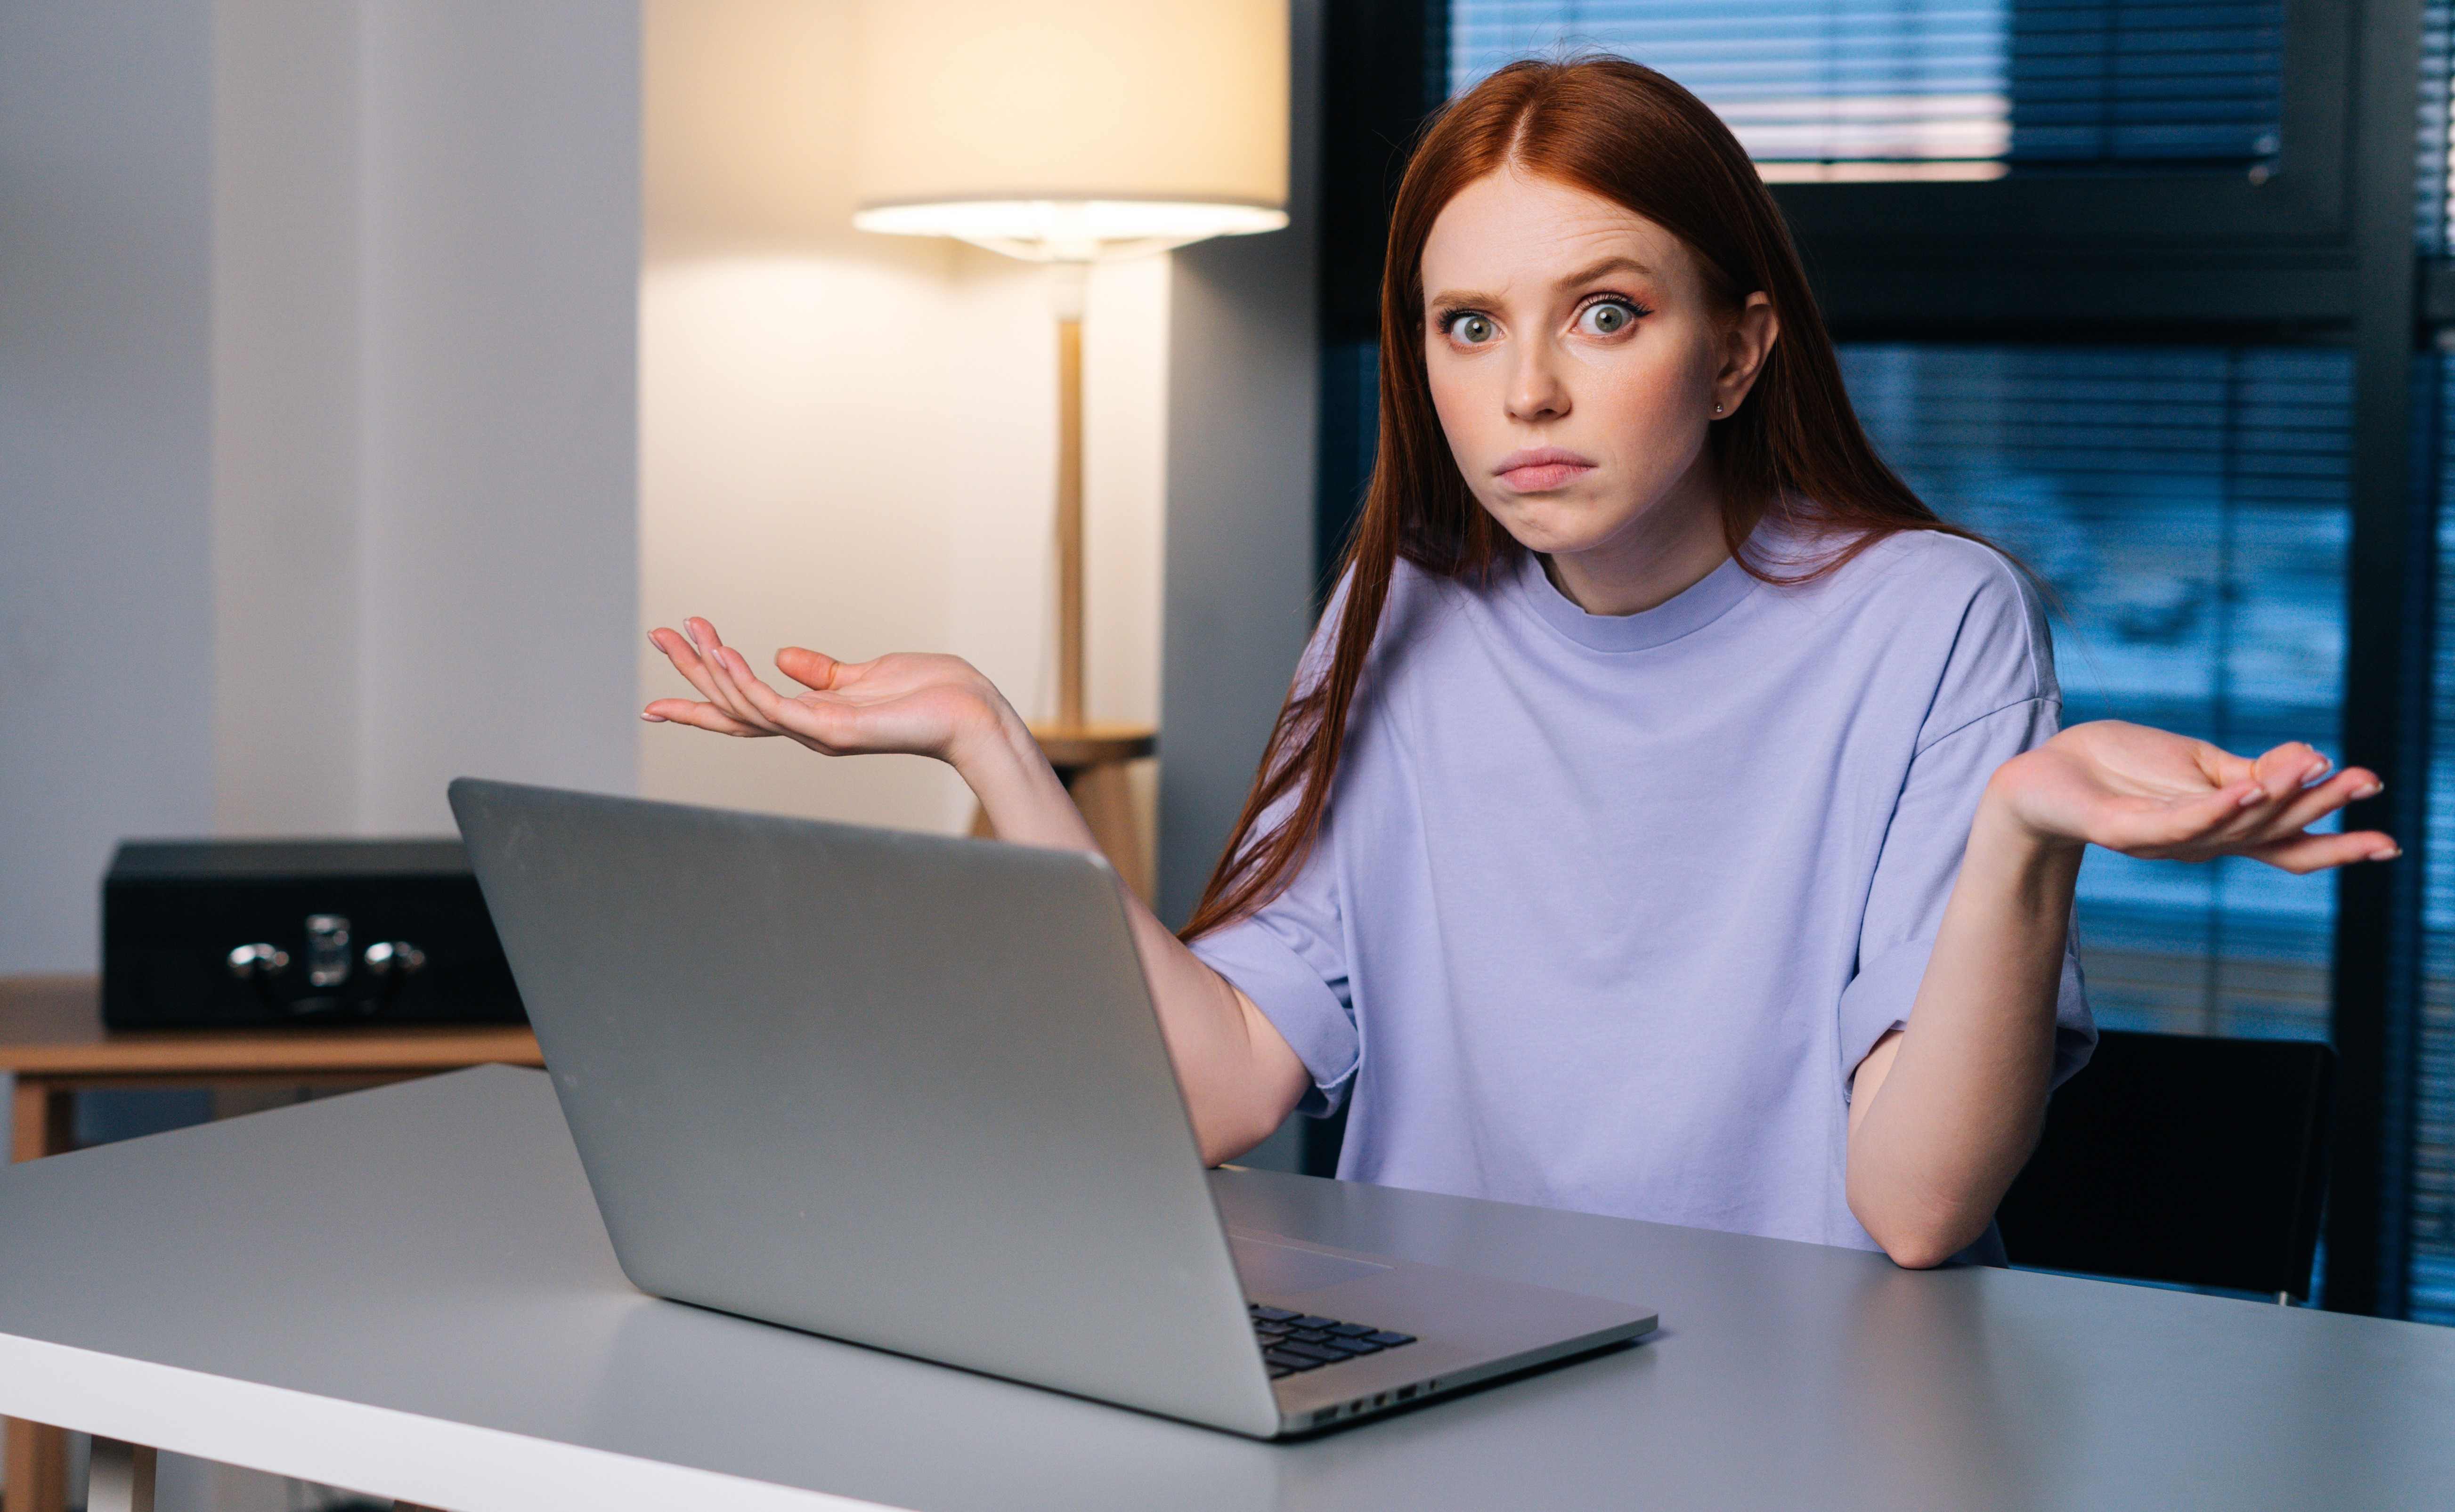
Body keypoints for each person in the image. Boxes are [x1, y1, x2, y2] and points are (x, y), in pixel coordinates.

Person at [638, 57, 2394, 1268]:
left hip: (1796, 1404)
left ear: (1733, 351)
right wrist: (990, 747)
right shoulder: (1399, 608)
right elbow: (1214, 1089)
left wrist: (2025, 831)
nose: (1526, 392)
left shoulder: (1928, 613)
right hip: (1438, 1385)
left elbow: (1918, 1209)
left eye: (1605, 313)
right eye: (1468, 326)